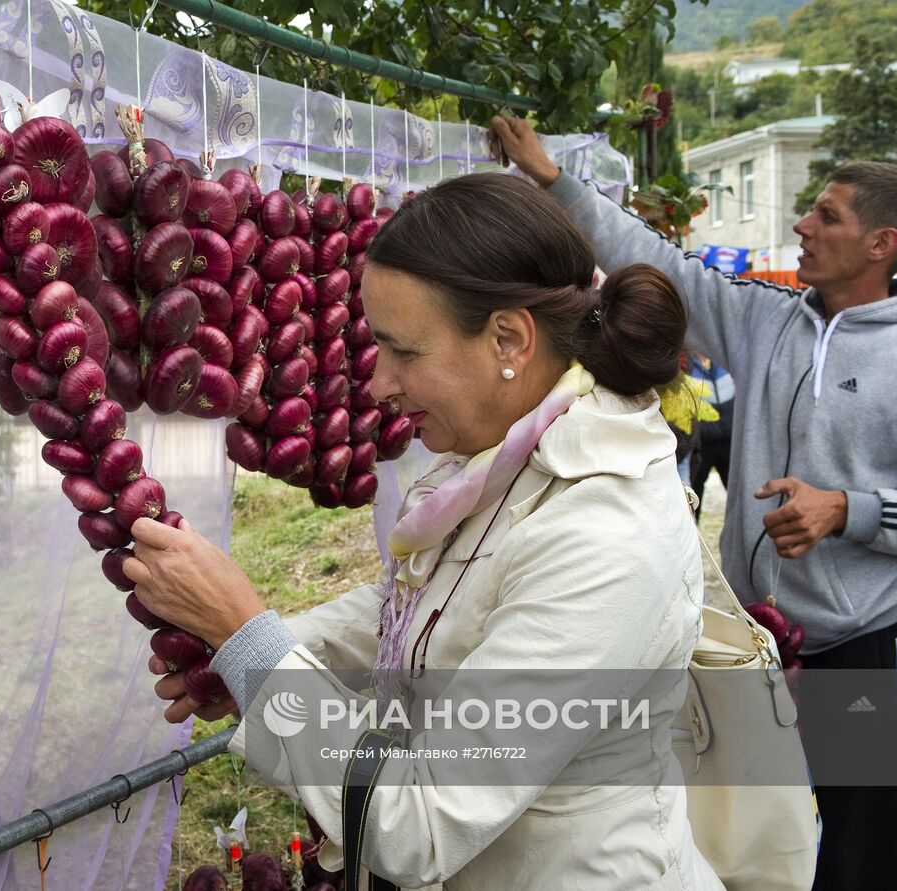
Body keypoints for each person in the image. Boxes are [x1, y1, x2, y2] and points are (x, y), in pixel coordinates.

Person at [126, 173, 724, 889]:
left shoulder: (605, 536)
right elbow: (419, 614)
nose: (378, 383)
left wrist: (248, 634)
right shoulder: (509, 458)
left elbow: (422, 818)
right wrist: (260, 657)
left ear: (509, 338)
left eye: (403, 351)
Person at [491, 115, 897, 891]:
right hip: (755, 648)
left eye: (827, 214)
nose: (802, 223)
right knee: (760, 841)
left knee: (867, 850)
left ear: (882, 244)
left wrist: (847, 508)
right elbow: (659, 261)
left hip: (861, 645)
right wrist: (551, 181)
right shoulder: (767, 317)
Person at [688, 354, 735, 520]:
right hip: (702, 444)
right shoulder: (687, 364)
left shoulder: (725, 357)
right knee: (694, 498)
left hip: (730, 442)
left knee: (738, 495)